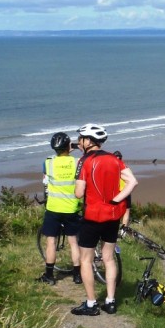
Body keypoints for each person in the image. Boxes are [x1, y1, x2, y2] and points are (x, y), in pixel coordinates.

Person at [71, 123, 137, 316]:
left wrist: (76, 188)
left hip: (92, 216)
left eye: (80, 139)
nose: (78, 143)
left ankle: (91, 304)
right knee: (108, 258)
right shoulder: (114, 159)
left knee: (85, 260)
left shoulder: (84, 161)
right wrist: (117, 199)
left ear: (88, 141)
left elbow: (78, 193)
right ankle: (110, 301)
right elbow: (132, 181)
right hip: (113, 216)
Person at [39, 132, 82, 285]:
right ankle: (77, 275)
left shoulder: (48, 162)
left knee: (51, 241)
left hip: (53, 208)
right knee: (73, 242)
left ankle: (49, 276)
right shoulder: (78, 162)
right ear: (69, 146)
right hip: (71, 208)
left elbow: (45, 177)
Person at [113, 151, 132, 228]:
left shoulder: (111, 168)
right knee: (126, 211)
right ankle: (123, 231)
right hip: (126, 191)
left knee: (115, 211)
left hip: (115, 192)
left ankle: (114, 229)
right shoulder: (125, 167)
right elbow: (131, 180)